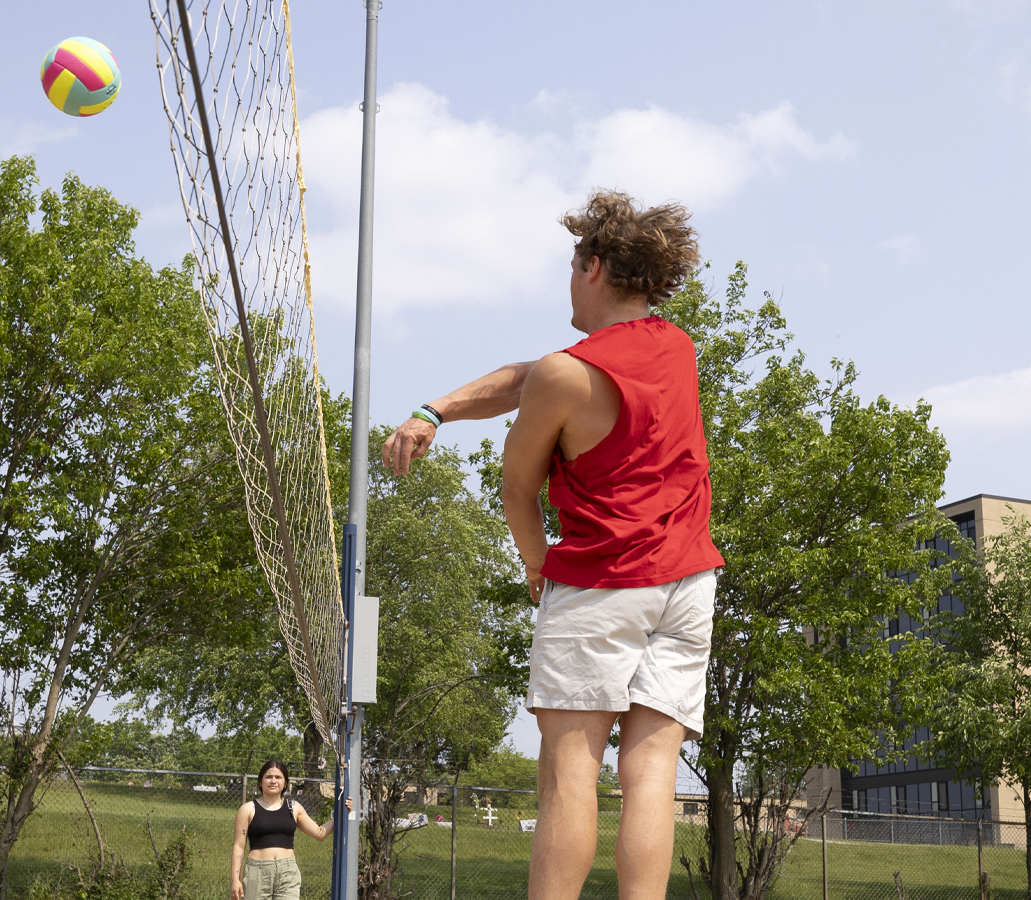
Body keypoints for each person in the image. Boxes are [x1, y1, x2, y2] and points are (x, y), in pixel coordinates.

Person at [381, 190, 720, 900]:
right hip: (688, 586)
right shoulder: (675, 346)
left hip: (602, 585)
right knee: (652, 775)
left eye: (573, 266)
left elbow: (517, 489)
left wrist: (537, 564)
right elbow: (535, 375)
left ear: (593, 267)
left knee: (570, 771)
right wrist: (433, 409)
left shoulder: (567, 375)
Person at [230, 760, 348, 900]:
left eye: (278, 777)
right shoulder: (248, 809)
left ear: (285, 783)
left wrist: (342, 813)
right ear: (260, 782)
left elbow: (319, 833)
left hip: (287, 872)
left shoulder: (294, 807)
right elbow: (238, 847)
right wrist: (235, 880)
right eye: (268, 777)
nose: (273, 781)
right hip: (257, 871)